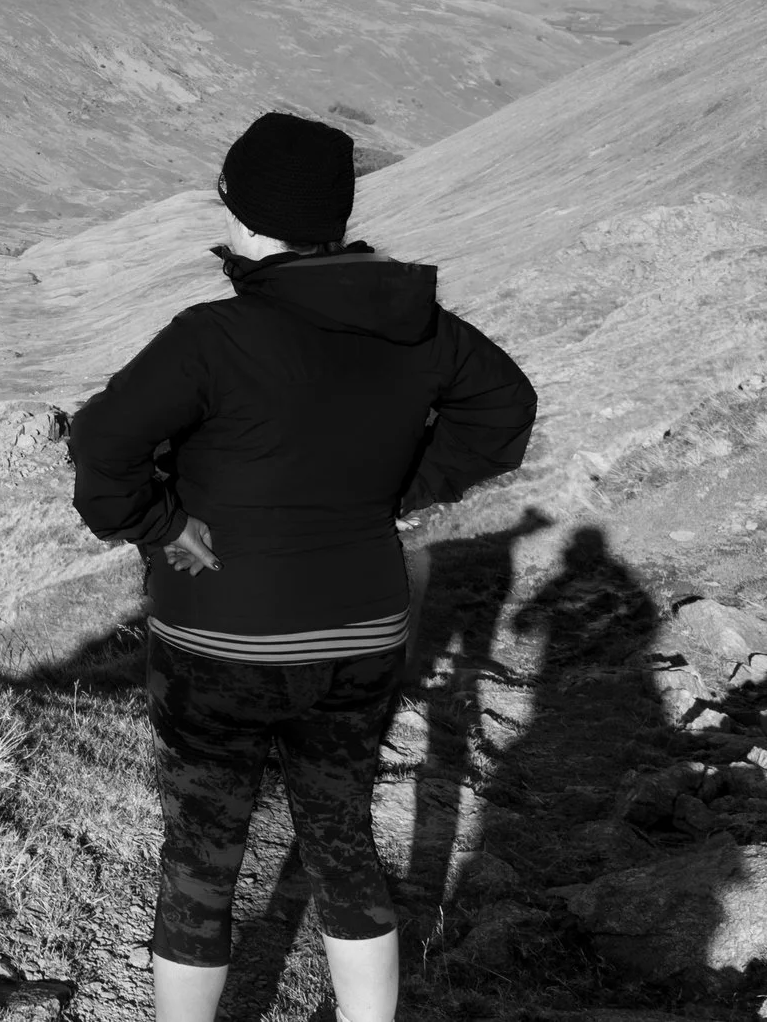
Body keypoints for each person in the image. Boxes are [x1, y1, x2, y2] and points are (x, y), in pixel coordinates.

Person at [70, 112, 535, 1022]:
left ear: (244, 212)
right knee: (341, 833)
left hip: (220, 632)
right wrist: (394, 492)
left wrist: (165, 526)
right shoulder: (417, 325)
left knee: (204, 849)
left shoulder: (216, 334)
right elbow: (505, 408)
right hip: (361, 630)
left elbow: (101, 441)